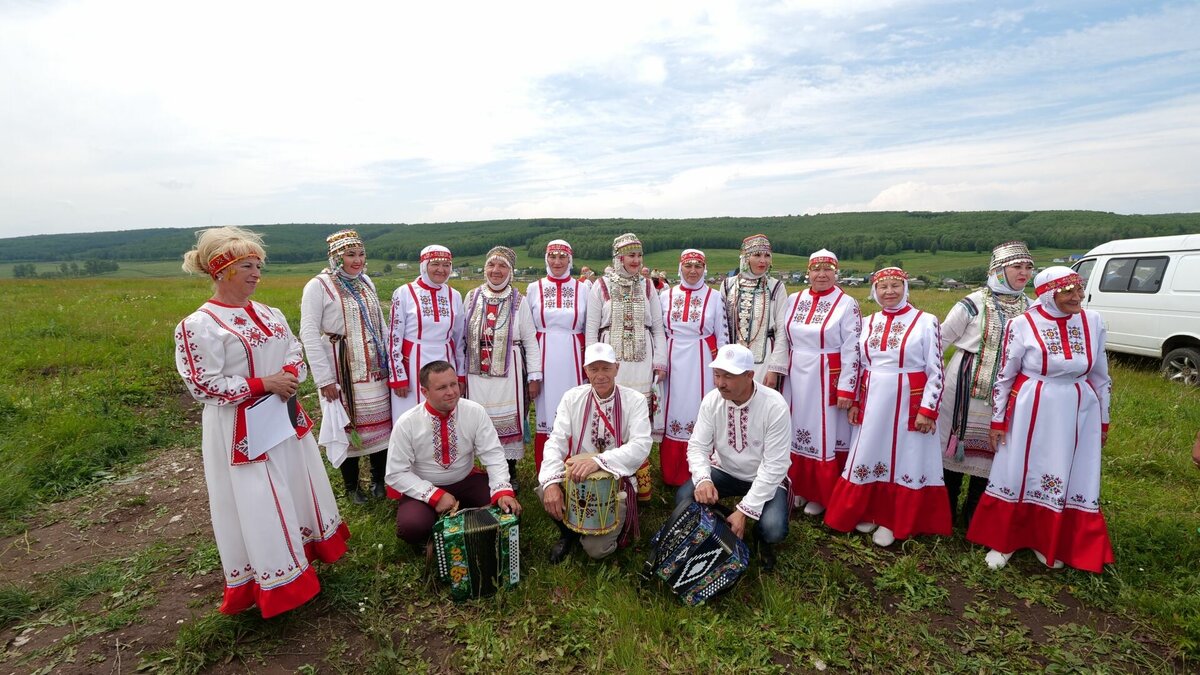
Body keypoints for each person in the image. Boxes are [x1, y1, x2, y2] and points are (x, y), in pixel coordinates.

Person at [174, 226, 349, 619]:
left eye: (258, 266)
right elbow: (203, 384)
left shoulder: (270, 313)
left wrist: (287, 375)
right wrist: (262, 384)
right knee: (260, 499)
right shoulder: (199, 326)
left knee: (294, 486)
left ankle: (302, 556)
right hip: (241, 429)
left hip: (282, 417)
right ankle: (276, 580)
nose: (256, 274)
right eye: (247, 267)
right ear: (221, 272)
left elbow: (293, 350)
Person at [967, 267, 1114, 572]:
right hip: (1031, 407)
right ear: (1048, 294)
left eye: (1079, 289)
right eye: (1068, 292)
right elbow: (1005, 375)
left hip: (1076, 409)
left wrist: (1102, 419)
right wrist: (997, 420)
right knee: (1018, 468)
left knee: (1062, 470)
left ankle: (1046, 539)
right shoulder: (1023, 324)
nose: (1077, 297)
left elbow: (1101, 376)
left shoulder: (1093, 322)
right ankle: (1004, 540)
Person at [824, 267, 952, 547]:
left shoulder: (925, 321)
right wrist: (855, 401)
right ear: (875, 292)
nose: (889, 292)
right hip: (873, 401)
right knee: (869, 453)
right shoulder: (868, 322)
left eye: (895, 286)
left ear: (905, 288)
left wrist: (927, 410)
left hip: (909, 400)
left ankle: (894, 519)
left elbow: (936, 370)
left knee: (904, 458)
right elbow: (860, 366)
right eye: (883, 287)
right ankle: (869, 510)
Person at [938, 241, 1034, 528]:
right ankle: (945, 513)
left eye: (1028, 267)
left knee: (994, 452)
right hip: (964, 385)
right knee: (953, 448)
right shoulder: (973, 303)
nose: (1024, 273)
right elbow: (940, 341)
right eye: (1016, 266)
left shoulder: (1030, 307)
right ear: (997, 270)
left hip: (1007, 389)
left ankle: (975, 518)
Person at [386, 361, 521, 552]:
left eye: (454, 384)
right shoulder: (407, 422)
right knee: (412, 527)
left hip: (466, 479)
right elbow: (396, 473)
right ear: (425, 392)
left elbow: (493, 454)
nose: (451, 392)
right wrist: (434, 496)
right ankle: (435, 532)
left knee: (508, 511)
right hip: (425, 487)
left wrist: (502, 491)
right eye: (441, 387)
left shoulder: (474, 411)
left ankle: (461, 517)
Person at [676, 344, 791, 570]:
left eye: (729, 376)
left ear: (750, 375)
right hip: (725, 470)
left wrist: (744, 511)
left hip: (764, 477)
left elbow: (775, 466)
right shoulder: (712, 400)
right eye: (717, 375)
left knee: (773, 529)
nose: (720, 383)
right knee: (684, 497)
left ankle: (755, 534)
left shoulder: (774, 405)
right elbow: (698, 446)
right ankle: (720, 525)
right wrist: (703, 479)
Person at [299, 229, 392, 504]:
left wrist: (390, 359)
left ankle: (378, 480)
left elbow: (380, 324)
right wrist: (324, 379)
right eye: (350, 255)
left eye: (361, 254)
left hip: (374, 368)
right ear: (335, 257)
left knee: (380, 426)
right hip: (341, 368)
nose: (357, 260)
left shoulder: (365, 282)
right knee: (345, 424)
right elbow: (308, 331)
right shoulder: (319, 285)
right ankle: (352, 487)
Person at [538, 343, 652, 563]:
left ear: (617, 368)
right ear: (585, 370)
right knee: (545, 490)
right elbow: (556, 440)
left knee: (596, 550)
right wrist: (551, 483)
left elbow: (641, 445)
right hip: (578, 477)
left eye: (606, 368)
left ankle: (587, 531)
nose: (600, 375)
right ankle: (569, 532)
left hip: (616, 479)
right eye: (594, 369)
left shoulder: (635, 400)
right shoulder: (572, 397)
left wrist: (600, 461)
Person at [769, 249, 861, 516]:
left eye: (827, 269)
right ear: (808, 272)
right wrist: (777, 369)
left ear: (836, 272)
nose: (821, 275)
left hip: (826, 376)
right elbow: (784, 338)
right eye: (816, 269)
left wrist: (847, 387)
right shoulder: (795, 299)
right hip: (796, 375)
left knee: (823, 433)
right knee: (795, 427)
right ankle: (798, 485)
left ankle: (822, 492)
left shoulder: (847, 303)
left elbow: (852, 348)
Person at [585, 233, 666, 501]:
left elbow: (657, 326)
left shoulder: (647, 286)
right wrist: (592, 363)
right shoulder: (602, 285)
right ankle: (610, 473)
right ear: (619, 258)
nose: (636, 260)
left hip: (642, 360)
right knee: (611, 414)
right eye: (631, 255)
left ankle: (637, 478)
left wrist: (660, 360)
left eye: (639, 255)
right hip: (610, 359)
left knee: (637, 417)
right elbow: (591, 329)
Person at [463, 246, 542, 490]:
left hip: (510, 373)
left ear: (511, 271)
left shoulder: (520, 301)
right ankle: (481, 471)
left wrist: (535, 376)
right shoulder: (472, 297)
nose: (496, 270)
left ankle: (509, 472)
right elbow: (461, 337)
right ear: (485, 268)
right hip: (477, 373)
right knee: (478, 419)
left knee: (507, 420)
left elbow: (530, 339)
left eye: (502, 266)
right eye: (491, 265)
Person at [658, 249, 728, 487]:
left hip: (702, 361)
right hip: (673, 358)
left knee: (700, 410)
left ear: (704, 269)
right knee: (673, 408)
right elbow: (659, 332)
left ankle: (699, 470)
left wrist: (722, 370)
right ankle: (672, 472)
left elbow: (722, 335)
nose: (693, 271)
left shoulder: (715, 297)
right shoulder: (665, 296)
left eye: (698, 266)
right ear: (680, 268)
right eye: (688, 266)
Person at [527, 240, 589, 474]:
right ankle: (548, 471)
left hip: (573, 357)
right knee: (546, 413)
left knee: (575, 409)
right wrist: (533, 371)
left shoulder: (583, 289)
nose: (557, 262)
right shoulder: (534, 288)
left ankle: (576, 467)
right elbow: (528, 331)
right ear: (546, 259)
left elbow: (589, 328)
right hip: (544, 357)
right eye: (552, 257)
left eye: (562, 257)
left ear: (570, 260)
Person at [387, 244, 465, 424]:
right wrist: (398, 377)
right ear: (424, 266)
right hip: (413, 364)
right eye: (435, 264)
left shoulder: (454, 295)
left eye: (446, 265)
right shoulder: (404, 293)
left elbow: (459, 339)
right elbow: (393, 337)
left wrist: (459, 374)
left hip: (446, 360)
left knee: (445, 412)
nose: (441, 270)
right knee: (412, 418)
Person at [721, 234, 789, 386]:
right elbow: (722, 326)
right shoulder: (728, 285)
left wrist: (774, 368)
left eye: (767, 255)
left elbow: (782, 329)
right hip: (734, 356)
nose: (763, 260)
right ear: (746, 258)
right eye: (757, 255)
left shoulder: (776, 287)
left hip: (765, 356)